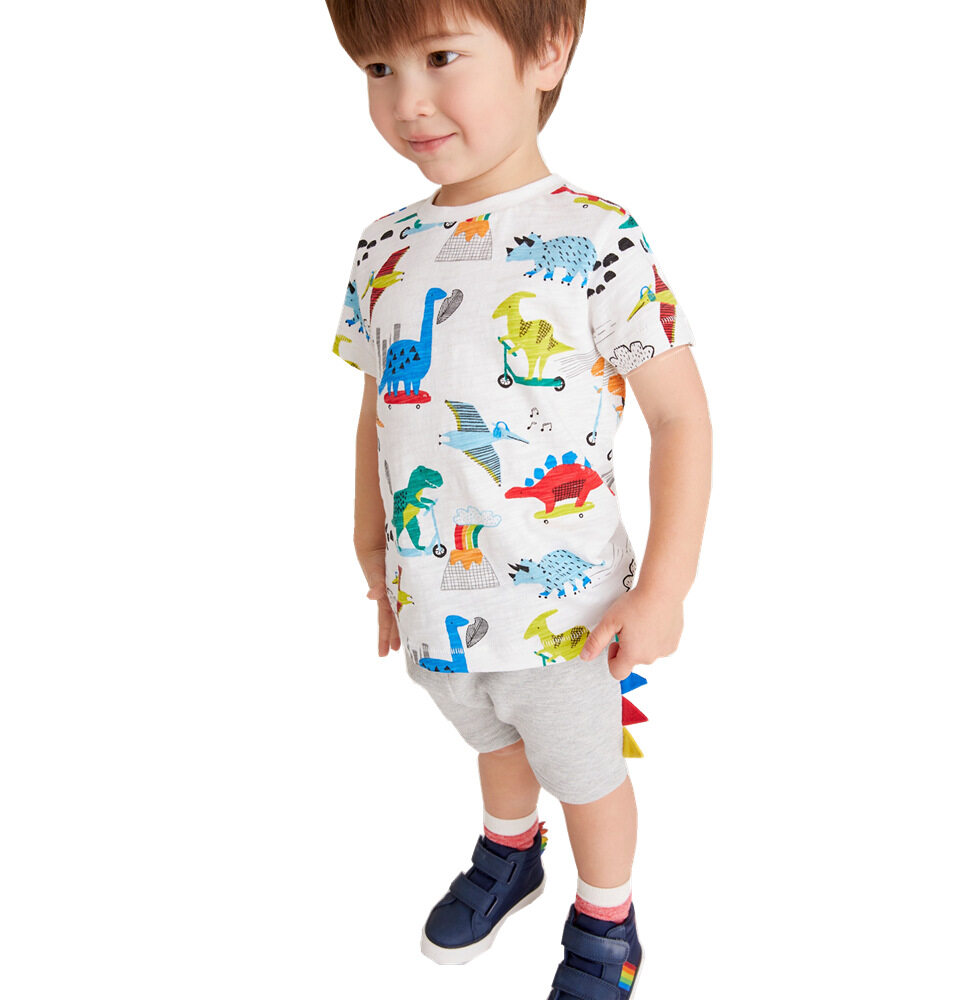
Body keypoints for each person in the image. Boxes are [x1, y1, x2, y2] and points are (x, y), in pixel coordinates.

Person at [324, 2, 712, 996]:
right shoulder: (382, 245)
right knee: (488, 731)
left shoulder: (598, 235)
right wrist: (369, 544)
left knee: (584, 770)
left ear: (547, 51)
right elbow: (380, 407)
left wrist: (664, 591)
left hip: (562, 610)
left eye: (439, 56)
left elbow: (680, 418)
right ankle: (510, 848)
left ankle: (608, 917)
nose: (408, 101)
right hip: (430, 587)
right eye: (378, 68)